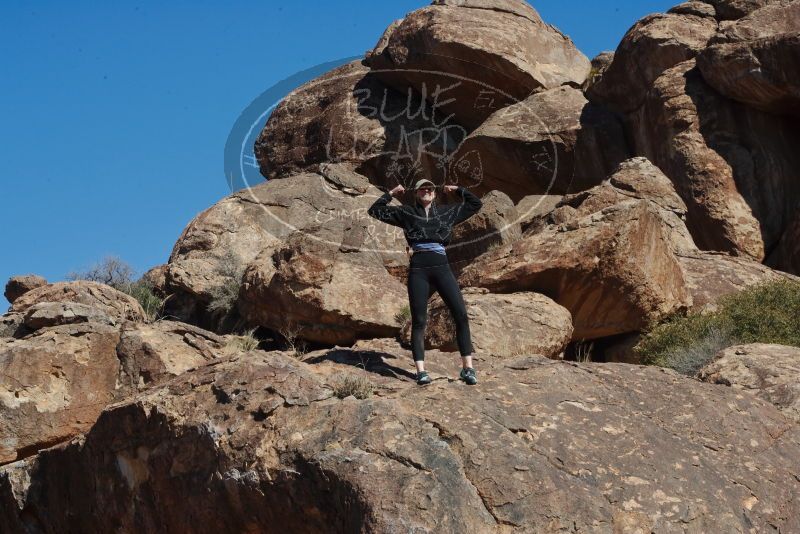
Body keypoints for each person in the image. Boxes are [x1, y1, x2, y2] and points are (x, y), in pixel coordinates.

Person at [367, 177, 483, 385]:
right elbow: (375, 210)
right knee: (419, 320)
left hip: (442, 267)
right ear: (416, 193)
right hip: (419, 269)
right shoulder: (407, 213)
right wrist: (391, 193)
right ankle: (421, 372)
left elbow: (476, 204)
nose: (426, 191)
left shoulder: (447, 212)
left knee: (461, 315)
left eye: (430, 188)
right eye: (422, 189)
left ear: (435, 193)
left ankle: (468, 369)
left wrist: (458, 189)